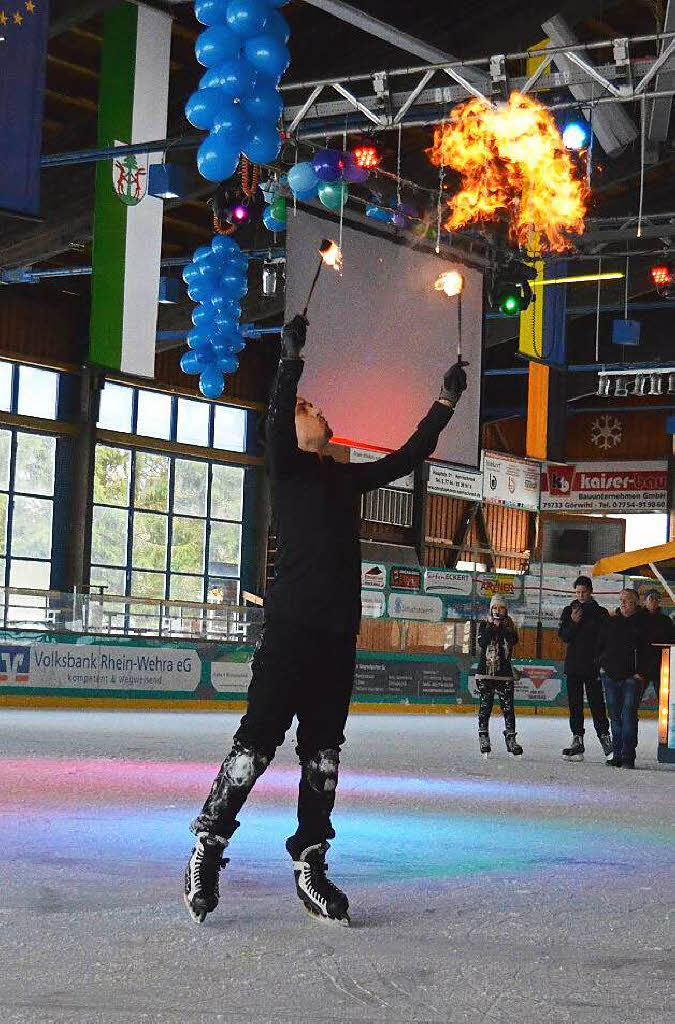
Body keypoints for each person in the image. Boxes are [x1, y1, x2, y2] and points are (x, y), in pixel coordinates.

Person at [183, 313, 468, 925]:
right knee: (256, 747)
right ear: (292, 426)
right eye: (306, 407)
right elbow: (278, 413)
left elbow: (411, 455)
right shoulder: (285, 467)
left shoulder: (346, 479)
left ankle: (310, 862)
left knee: (322, 755)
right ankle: (209, 844)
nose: (316, 411)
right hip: (288, 634)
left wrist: (444, 401)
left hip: (338, 640)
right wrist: (290, 363)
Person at [557, 576, 612, 762]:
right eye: (578, 592)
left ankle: (605, 738)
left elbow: (605, 641)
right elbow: (564, 637)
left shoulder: (600, 613)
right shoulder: (568, 611)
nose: (580, 595)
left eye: (584, 592)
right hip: (573, 666)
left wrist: (601, 660)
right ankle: (577, 739)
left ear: (590, 591)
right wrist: (572, 622)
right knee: (575, 705)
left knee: (597, 704)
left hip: (593, 666)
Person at [597, 588, 649, 768]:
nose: (623, 603)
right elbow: (600, 644)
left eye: (626, 600)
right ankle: (617, 754)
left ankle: (628, 755)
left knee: (628, 716)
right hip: (610, 675)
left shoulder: (643, 623)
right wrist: (602, 666)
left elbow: (649, 650)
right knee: (615, 717)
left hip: (631, 678)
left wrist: (641, 672)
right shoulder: (611, 622)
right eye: (621, 600)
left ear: (635, 603)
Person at [474, 595, 522, 756]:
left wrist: (500, 627)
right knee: (485, 706)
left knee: (508, 708)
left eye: (501, 608)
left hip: (504, 675)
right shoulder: (484, 625)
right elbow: (483, 642)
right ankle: (483, 735)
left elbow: (512, 640)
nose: (497, 611)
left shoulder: (510, 627)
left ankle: (511, 738)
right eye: (495, 608)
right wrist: (491, 626)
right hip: (485, 674)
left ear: (506, 610)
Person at [641, 589, 673, 701]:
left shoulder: (665, 620)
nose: (654, 601)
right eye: (651, 599)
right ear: (645, 601)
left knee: (663, 698)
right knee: (635, 698)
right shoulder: (639, 619)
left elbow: (671, 639)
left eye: (656, 599)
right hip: (642, 664)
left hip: (660, 663)